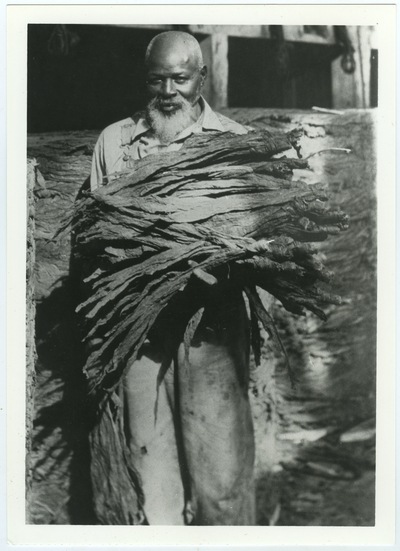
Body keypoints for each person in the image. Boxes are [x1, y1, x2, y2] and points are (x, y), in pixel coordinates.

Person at [90, 31, 255, 526]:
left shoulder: (232, 143)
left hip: (212, 326)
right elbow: (95, 234)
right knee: (149, 469)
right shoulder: (115, 143)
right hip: (140, 331)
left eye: (180, 79)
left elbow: (250, 239)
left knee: (221, 477)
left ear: (201, 78)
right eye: (156, 79)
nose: (168, 91)